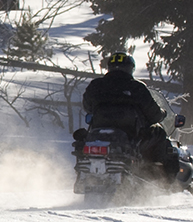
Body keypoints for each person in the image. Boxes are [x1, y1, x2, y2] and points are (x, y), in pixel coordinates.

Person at [78, 51, 183, 183]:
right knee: (160, 134)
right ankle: (168, 181)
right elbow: (154, 114)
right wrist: (162, 114)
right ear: (130, 68)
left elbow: (87, 106)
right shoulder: (136, 87)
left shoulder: (96, 85)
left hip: (99, 134)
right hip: (132, 137)